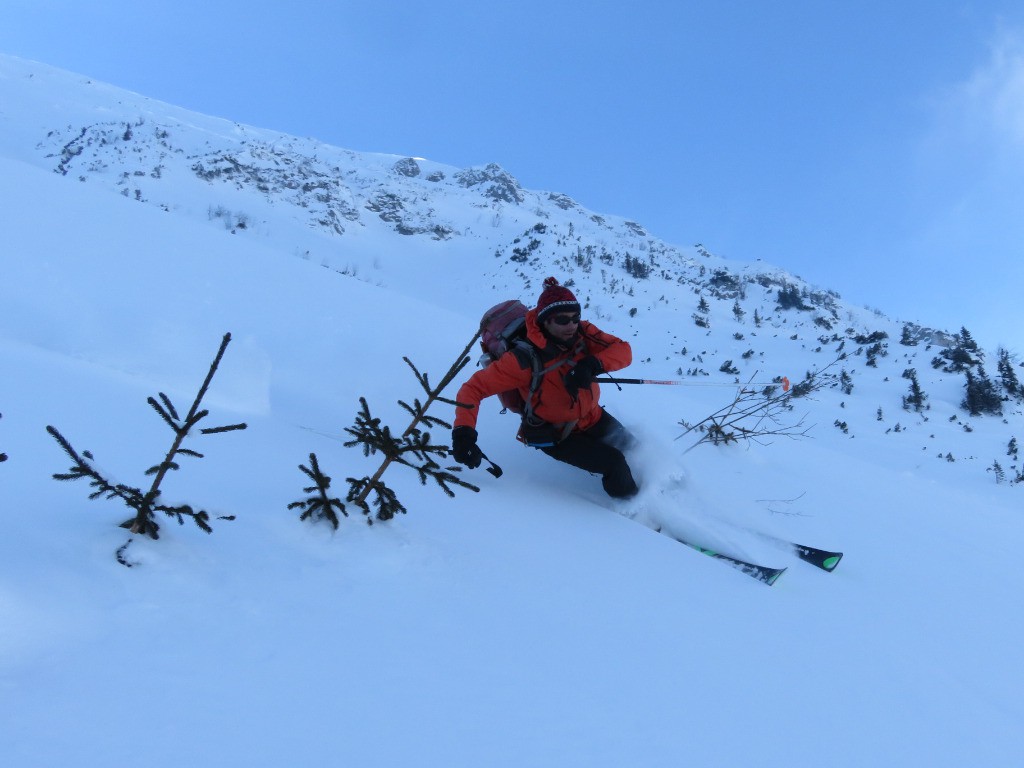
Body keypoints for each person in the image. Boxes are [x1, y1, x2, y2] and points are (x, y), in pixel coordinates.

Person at [451, 277, 639, 499]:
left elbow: (623, 350)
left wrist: (593, 364)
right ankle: (635, 510)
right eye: (562, 320)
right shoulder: (522, 360)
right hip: (558, 436)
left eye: (575, 317)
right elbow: (473, 389)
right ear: (545, 321)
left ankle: (654, 487)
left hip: (593, 417)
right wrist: (463, 435)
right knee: (614, 463)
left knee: (636, 450)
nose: (571, 325)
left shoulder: (582, 333)